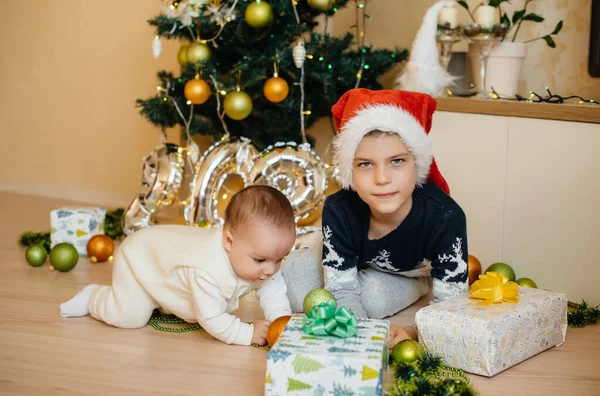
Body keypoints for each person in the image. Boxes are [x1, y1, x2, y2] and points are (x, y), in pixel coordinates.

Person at [282, 88, 468, 348]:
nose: (382, 179)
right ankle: (320, 248)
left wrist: (414, 332)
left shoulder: (445, 216)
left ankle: (417, 285)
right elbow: (341, 291)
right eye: (365, 164)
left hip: (407, 273)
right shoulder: (339, 208)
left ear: (417, 162)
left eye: (397, 161)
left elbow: (451, 306)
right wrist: (360, 340)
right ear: (350, 169)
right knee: (288, 283)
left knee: (372, 299)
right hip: (355, 262)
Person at [59, 185, 296, 346]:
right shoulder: (206, 270)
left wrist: (281, 321)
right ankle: (95, 297)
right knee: (130, 317)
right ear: (229, 241)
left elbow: (274, 292)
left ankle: (163, 300)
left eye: (280, 259)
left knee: (173, 296)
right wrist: (247, 334)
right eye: (260, 260)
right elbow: (211, 318)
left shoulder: (257, 257)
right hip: (140, 260)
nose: (271, 269)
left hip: (166, 268)